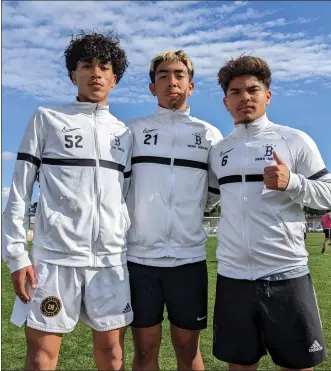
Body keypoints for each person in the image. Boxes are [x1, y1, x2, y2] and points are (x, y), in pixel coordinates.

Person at [2, 31, 133, 371]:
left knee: (113, 356)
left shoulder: (124, 133)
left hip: (110, 261)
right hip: (54, 258)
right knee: (42, 357)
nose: (96, 73)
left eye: (104, 66)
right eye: (86, 65)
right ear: (73, 74)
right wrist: (16, 254)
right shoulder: (47, 118)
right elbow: (20, 188)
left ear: (114, 78)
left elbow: (129, 198)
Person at [209, 56, 331, 371]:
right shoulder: (219, 151)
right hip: (233, 278)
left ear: (268, 95)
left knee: (298, 366)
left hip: (286, 276)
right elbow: (204, 201)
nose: (245, 97)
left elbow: (330, 194)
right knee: (239, 366)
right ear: (226, 101)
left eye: (253, 89)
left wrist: (291, 182)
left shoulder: (293, 139)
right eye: (235, 92)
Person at [125, 50, 223, 371]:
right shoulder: (132, 131)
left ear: (191, 85)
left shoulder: (209, 135)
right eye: (163, 75)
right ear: (152, 87)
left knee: (188, 351)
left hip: (189, 260)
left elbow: (212, 194)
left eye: (179, 74)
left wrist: (186, 216)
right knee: (144, 350)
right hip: (140, 260)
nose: (172, 81)